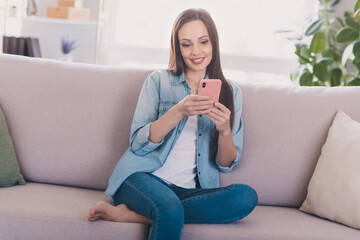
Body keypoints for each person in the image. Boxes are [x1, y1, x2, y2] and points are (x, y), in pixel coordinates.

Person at [88, 8, 258, 240]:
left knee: (245, 197)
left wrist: (225, 130)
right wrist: (178, 111)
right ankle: (160, 211)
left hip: (190, 191)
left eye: (203, 42)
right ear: (177, 47)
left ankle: (133, 215)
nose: (196, 51)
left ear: (214, 44)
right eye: (186, 44)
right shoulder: (158, 81)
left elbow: (226, 164)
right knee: (168, 206)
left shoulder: (231, 92)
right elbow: (137, 144)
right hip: (142, 177)